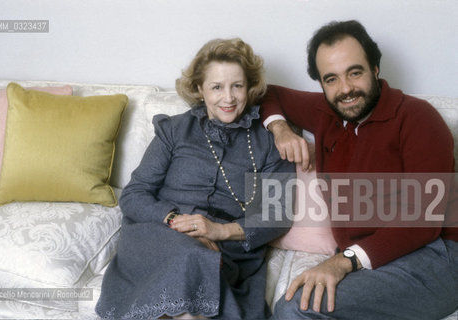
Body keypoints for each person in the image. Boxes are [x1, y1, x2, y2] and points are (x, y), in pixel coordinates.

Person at [260, 20, 458, 319]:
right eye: (331, 79)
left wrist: (342, 262)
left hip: (436, 256)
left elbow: (422, 222)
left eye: (355, 72)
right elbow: (267, 92)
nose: (346, 89)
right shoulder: (327, 112)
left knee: (294, 311)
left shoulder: (418, 119)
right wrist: (281, 130)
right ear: (322, 83)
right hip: (373, 260)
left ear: (375, 69)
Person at [95, 38, 294, 319]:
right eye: (216, 87)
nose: (228, 98)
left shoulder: (270, 143)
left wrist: (219, 231)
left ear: (249, 87)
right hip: (160, 234)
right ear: (200, 89)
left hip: (225, 246)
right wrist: (175, 220)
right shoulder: (174, 130)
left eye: (237, 85)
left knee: (199, 261)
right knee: (193, 257)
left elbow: (276, 216)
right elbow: (134, 194)